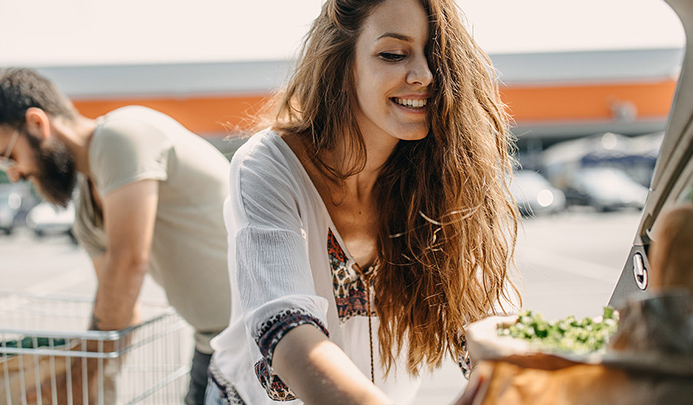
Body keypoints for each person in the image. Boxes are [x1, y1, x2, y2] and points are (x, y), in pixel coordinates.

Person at [208, 0, 521, 403]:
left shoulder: (444, 176)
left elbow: (489, 320)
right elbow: (288, 336)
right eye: (393, 54)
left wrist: (516, 375)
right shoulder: (269, 166)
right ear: (342, 65)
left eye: (436, 56)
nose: (425, 75)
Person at [0, 67, 232, 405]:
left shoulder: (121, 136)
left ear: (37, 124)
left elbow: (127, 265)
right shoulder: (85, 210)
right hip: (211, 343)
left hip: (260, 337)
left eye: (8, 156)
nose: (15, 174)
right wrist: (94, 386)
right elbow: (118, 307)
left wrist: (76, 383)